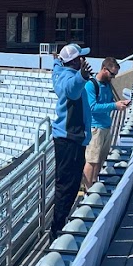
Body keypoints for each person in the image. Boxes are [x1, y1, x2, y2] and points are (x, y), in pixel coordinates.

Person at [50, 43, 92, 236]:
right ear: (74, 62)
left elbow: (58, 67)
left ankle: (60, 223)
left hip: (68, 138)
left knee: (67, 184)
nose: (83, 60)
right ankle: (57, 229)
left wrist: (56, 61)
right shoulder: (70, 78)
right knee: (68, 185)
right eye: (80, 58)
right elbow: (71, 90)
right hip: (70, 139)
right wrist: (81, 77)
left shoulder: (60, 71)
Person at [83, 57, 130, 187]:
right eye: (112, 74)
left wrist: (120, 104)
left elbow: (109, 102)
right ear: (104, 69)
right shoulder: (91, 85)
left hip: (106, 126)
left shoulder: (107, 85)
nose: (113, 77)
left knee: (99, 160)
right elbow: (92, 107)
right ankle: (87, 188)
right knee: (91, 160)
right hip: (95, 127)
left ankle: (94, 184)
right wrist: (114, 106)